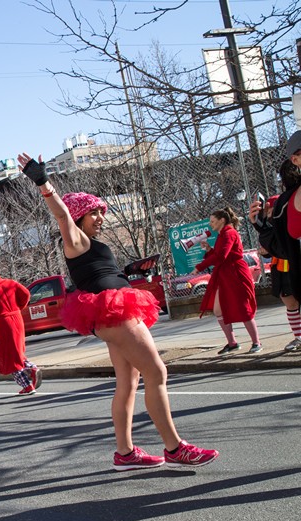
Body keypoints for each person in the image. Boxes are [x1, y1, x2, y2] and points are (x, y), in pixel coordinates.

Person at [18, 150, 218, 471]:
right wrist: (44, 183)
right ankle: (174, 447)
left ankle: (125, 453)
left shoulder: (92, 244)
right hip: (113, 310)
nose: (100, 217)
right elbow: (61, 216)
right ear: (79, 217)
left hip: (114, 306)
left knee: (129, 382)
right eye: (93, 212)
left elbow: (101, 270)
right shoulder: (76, 240)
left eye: (101, 211)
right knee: (158, 373)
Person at [250, 154, 301, 351]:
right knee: (288, 300)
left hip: (289, 264)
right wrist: (263, 232)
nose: (271, 213)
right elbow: (277, 247)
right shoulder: (275, 222)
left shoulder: (286, 209)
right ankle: (298, 336)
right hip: (282, 265)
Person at [195, 207, 261, 355]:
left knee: (244, 308)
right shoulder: (223, 234)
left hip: (235, 274)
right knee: (218, 310)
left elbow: (222, 256)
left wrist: (199, 267)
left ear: (222, 220)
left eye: (213, 221)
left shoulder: (229, 233)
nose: (210, 224)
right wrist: (209, 250)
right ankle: (232, 343)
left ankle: (256, 342)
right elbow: (221, 255)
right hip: (225, 274)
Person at [0, 268, 43, 395]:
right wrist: (19, 306)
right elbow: (26, 294)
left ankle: (28, 381)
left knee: (8, 355)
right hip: (17, 318)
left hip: (4, 321)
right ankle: (30, 368)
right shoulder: (11, 283)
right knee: (17, 350)